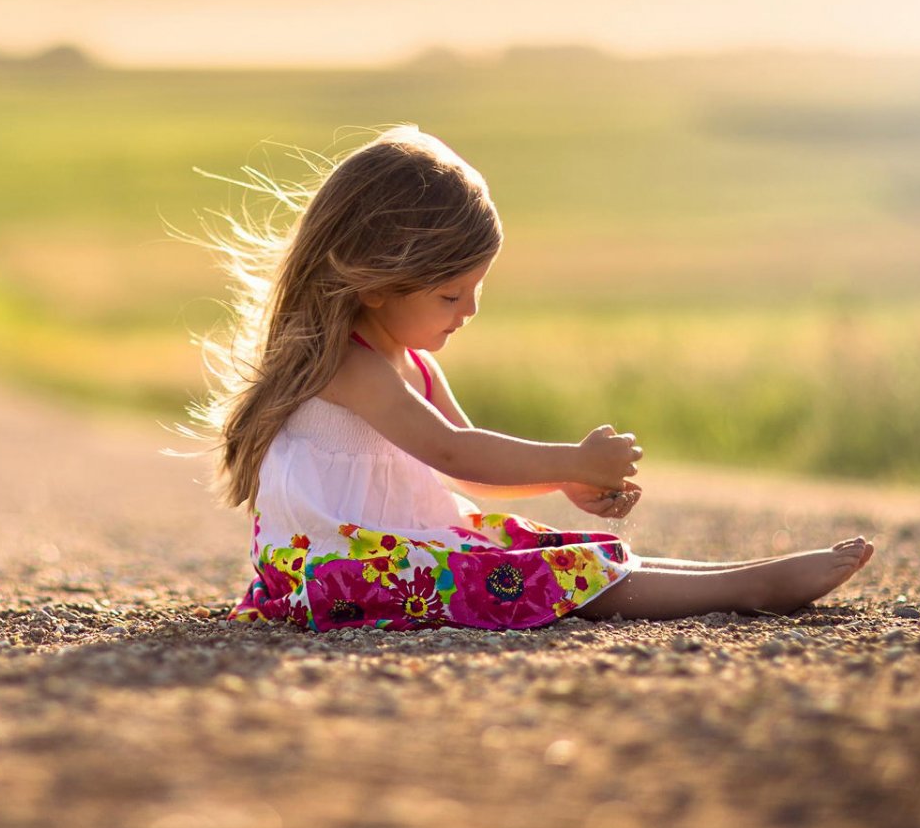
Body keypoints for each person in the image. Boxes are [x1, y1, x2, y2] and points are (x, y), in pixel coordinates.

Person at [183, 125, 874, 632]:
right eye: (451, 295)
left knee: (555, 549)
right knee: (524, 576)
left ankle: (732, 579)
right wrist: (571, 457)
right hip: (336, 577)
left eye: (475, 289)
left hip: (390, 554)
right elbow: (453, 454)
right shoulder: (348, 366)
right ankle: (751, 587)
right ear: (375, 282)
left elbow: (471, 467)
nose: (471, 311)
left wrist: (564, 482)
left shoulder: (409, 362)